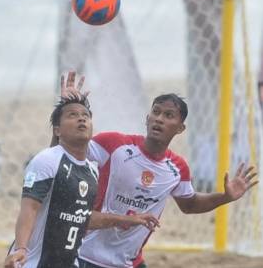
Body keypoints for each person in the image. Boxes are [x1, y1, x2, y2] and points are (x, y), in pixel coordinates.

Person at [60, 72, 258, 268]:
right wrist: (66, 109)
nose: (159, 119)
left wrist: (226, 197)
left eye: (168, 115)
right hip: (87, 255)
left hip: (130, 261)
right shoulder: (113, 144)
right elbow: (62, 155)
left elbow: (189, 205)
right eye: (156, 112)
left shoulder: (177, 168)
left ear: (180, 128)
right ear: (147, 119)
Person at [4, 96, 159, 268]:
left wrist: (126, 219)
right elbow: (29, 208)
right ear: (57, 131)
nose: (81, 118)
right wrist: (21, 248)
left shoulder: (91, 171)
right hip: (32, 262)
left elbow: (82, 218)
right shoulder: (46, 160)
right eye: (72, 115)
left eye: (86, 115)